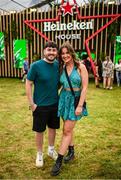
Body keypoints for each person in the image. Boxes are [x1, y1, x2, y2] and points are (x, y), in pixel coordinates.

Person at [51, 42, 88, 176]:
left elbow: (84, 87)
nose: (65, 55)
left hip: (75, 100)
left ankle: (59, 161)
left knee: (66, 130)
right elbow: (58, 85)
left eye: (67, 53)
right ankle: (71, 151)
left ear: (72, 52)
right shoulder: (62, 67)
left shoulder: (81, 67)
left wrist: (79, 106)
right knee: (67, 129)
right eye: (63, 53)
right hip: (63, 99)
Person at [26, 41, 60, 168]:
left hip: (55, 104)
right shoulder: (36, 66)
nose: (51, 52)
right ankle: (39, 154)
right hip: (40, 105)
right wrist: (32, 104)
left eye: (54, 50)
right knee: (39, 131)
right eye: (49, 49)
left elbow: (59, 82)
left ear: (56, 53)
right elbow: (28, 83)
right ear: (44, 51)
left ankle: (51, 150)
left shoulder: (58, 65)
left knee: (53, 128)